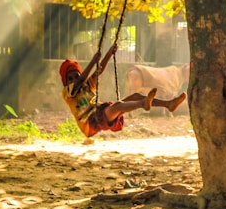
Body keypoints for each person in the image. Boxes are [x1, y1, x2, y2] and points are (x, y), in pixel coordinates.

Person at [59, 44, 187, 138]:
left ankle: (168, 104)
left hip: (101, 112)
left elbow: (99, 71)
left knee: (135, 95)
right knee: (119, 106)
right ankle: (143, 104)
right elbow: (81, 79)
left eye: (76, 75)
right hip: (91, 122)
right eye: (70, 78)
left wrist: (109, 53)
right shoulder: (67, 93)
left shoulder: (87, 85)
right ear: (65, 81)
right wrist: (93, 61)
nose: (74, 79)